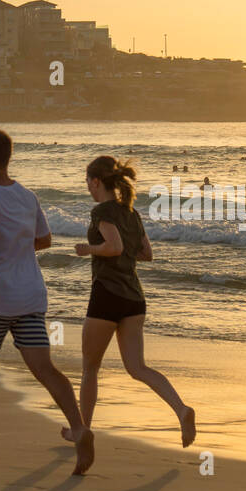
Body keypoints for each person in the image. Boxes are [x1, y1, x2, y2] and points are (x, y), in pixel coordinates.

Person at [0, 128, 94, 474]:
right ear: (7, 158)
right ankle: (80, 427)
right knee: (45, 369)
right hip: (30, 295)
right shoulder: (26, 195)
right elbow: (44, 240)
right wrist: (15, 246)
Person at [67, 155, 195, 449]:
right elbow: (146, 253)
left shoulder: (103, 212)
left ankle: (82, 431)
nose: (87, 187)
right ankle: (181, 409)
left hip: (107, 295)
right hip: (134, 299)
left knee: (90, 368)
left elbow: (115, 246)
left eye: (88, 181)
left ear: (96, 181)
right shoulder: (132, 214)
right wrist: (119, 252)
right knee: (138, 368)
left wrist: (89, 249)